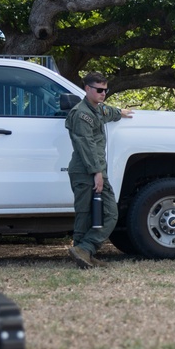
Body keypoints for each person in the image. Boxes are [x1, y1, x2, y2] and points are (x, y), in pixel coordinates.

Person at [66, 71, 134, 268]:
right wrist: (97, 173)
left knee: (101, 213)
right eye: (99, 90)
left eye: (105, 89)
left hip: (93, 170)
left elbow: (108, 112)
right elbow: (85, 145)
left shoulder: (96, 109)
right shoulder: (81, 114)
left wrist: (120, 112)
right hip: (86, 171)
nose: (103, 93)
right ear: (87, 89)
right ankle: (84, 250)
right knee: (89, 214)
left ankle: (84, 251)